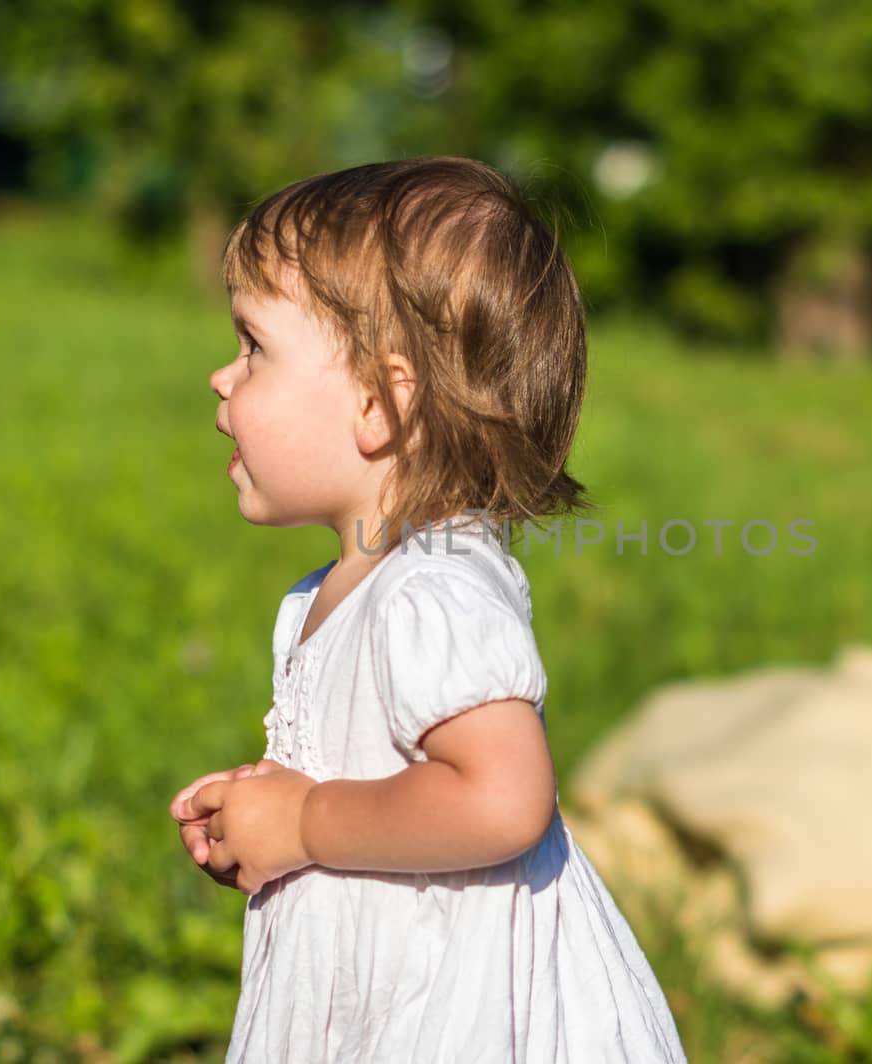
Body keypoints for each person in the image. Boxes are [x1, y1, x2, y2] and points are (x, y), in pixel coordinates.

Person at [167, 157, 689, 1063]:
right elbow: (378, 780)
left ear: (380, 403)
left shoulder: (433, 588)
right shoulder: (339, 591)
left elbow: (502, 801)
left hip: (459, 1014)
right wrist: (266, 819)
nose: (223, 376)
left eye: (254, 346)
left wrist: (303, 824)